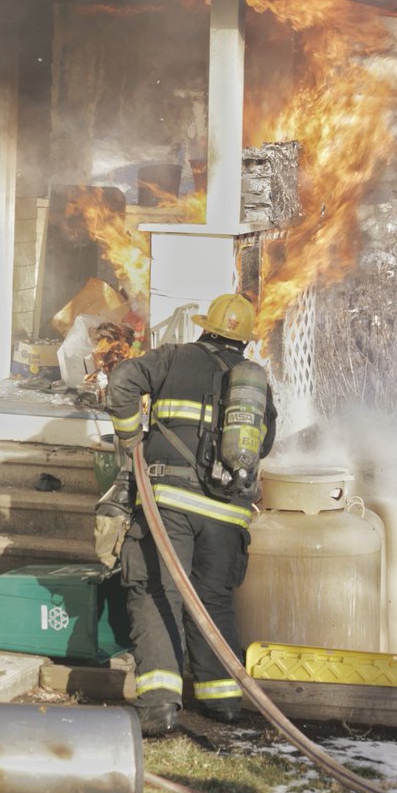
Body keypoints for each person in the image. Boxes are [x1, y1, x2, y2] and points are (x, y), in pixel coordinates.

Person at [104, 293, 277, 737]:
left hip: (170, 505)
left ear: (205, 328)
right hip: (227, 514)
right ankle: (222, 700)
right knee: (212, 599)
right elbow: (264, 444)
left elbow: (122, 381)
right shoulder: (254, 386)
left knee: (157, 593)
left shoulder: (173, 358)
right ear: (244, 341)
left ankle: (160, 705)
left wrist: (131, 440)